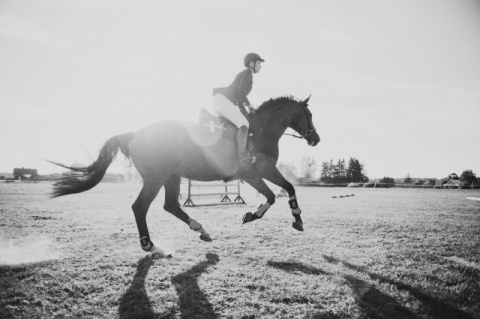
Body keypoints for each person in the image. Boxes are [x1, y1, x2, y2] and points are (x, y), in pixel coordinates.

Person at [211, 53, 265, 168]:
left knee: (236, 126)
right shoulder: (248, 73)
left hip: (221, 101)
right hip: (224, 100)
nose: (260, 66)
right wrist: (250, 106)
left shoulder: (247, 74)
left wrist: (245, 112)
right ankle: (242, 156)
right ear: (251, 63)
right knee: (244, 124)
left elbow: (240, 99)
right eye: (259, 63)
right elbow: (241, 93)